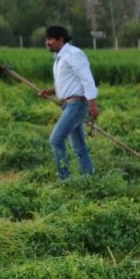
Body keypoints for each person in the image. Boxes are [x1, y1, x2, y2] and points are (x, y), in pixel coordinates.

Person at [38, 25, 99, 179]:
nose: (47, 42)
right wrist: (50, 92)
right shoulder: (60, 58)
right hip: (68, 105)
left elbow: (87, 80)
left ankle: (64, 179)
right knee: (79, 147)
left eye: (50, 39)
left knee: (56, 140)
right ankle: (89, 177)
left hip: (77, 105)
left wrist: (93, 105)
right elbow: (69, 82)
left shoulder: (73, 54)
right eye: (47, 39)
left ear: (60, 40)